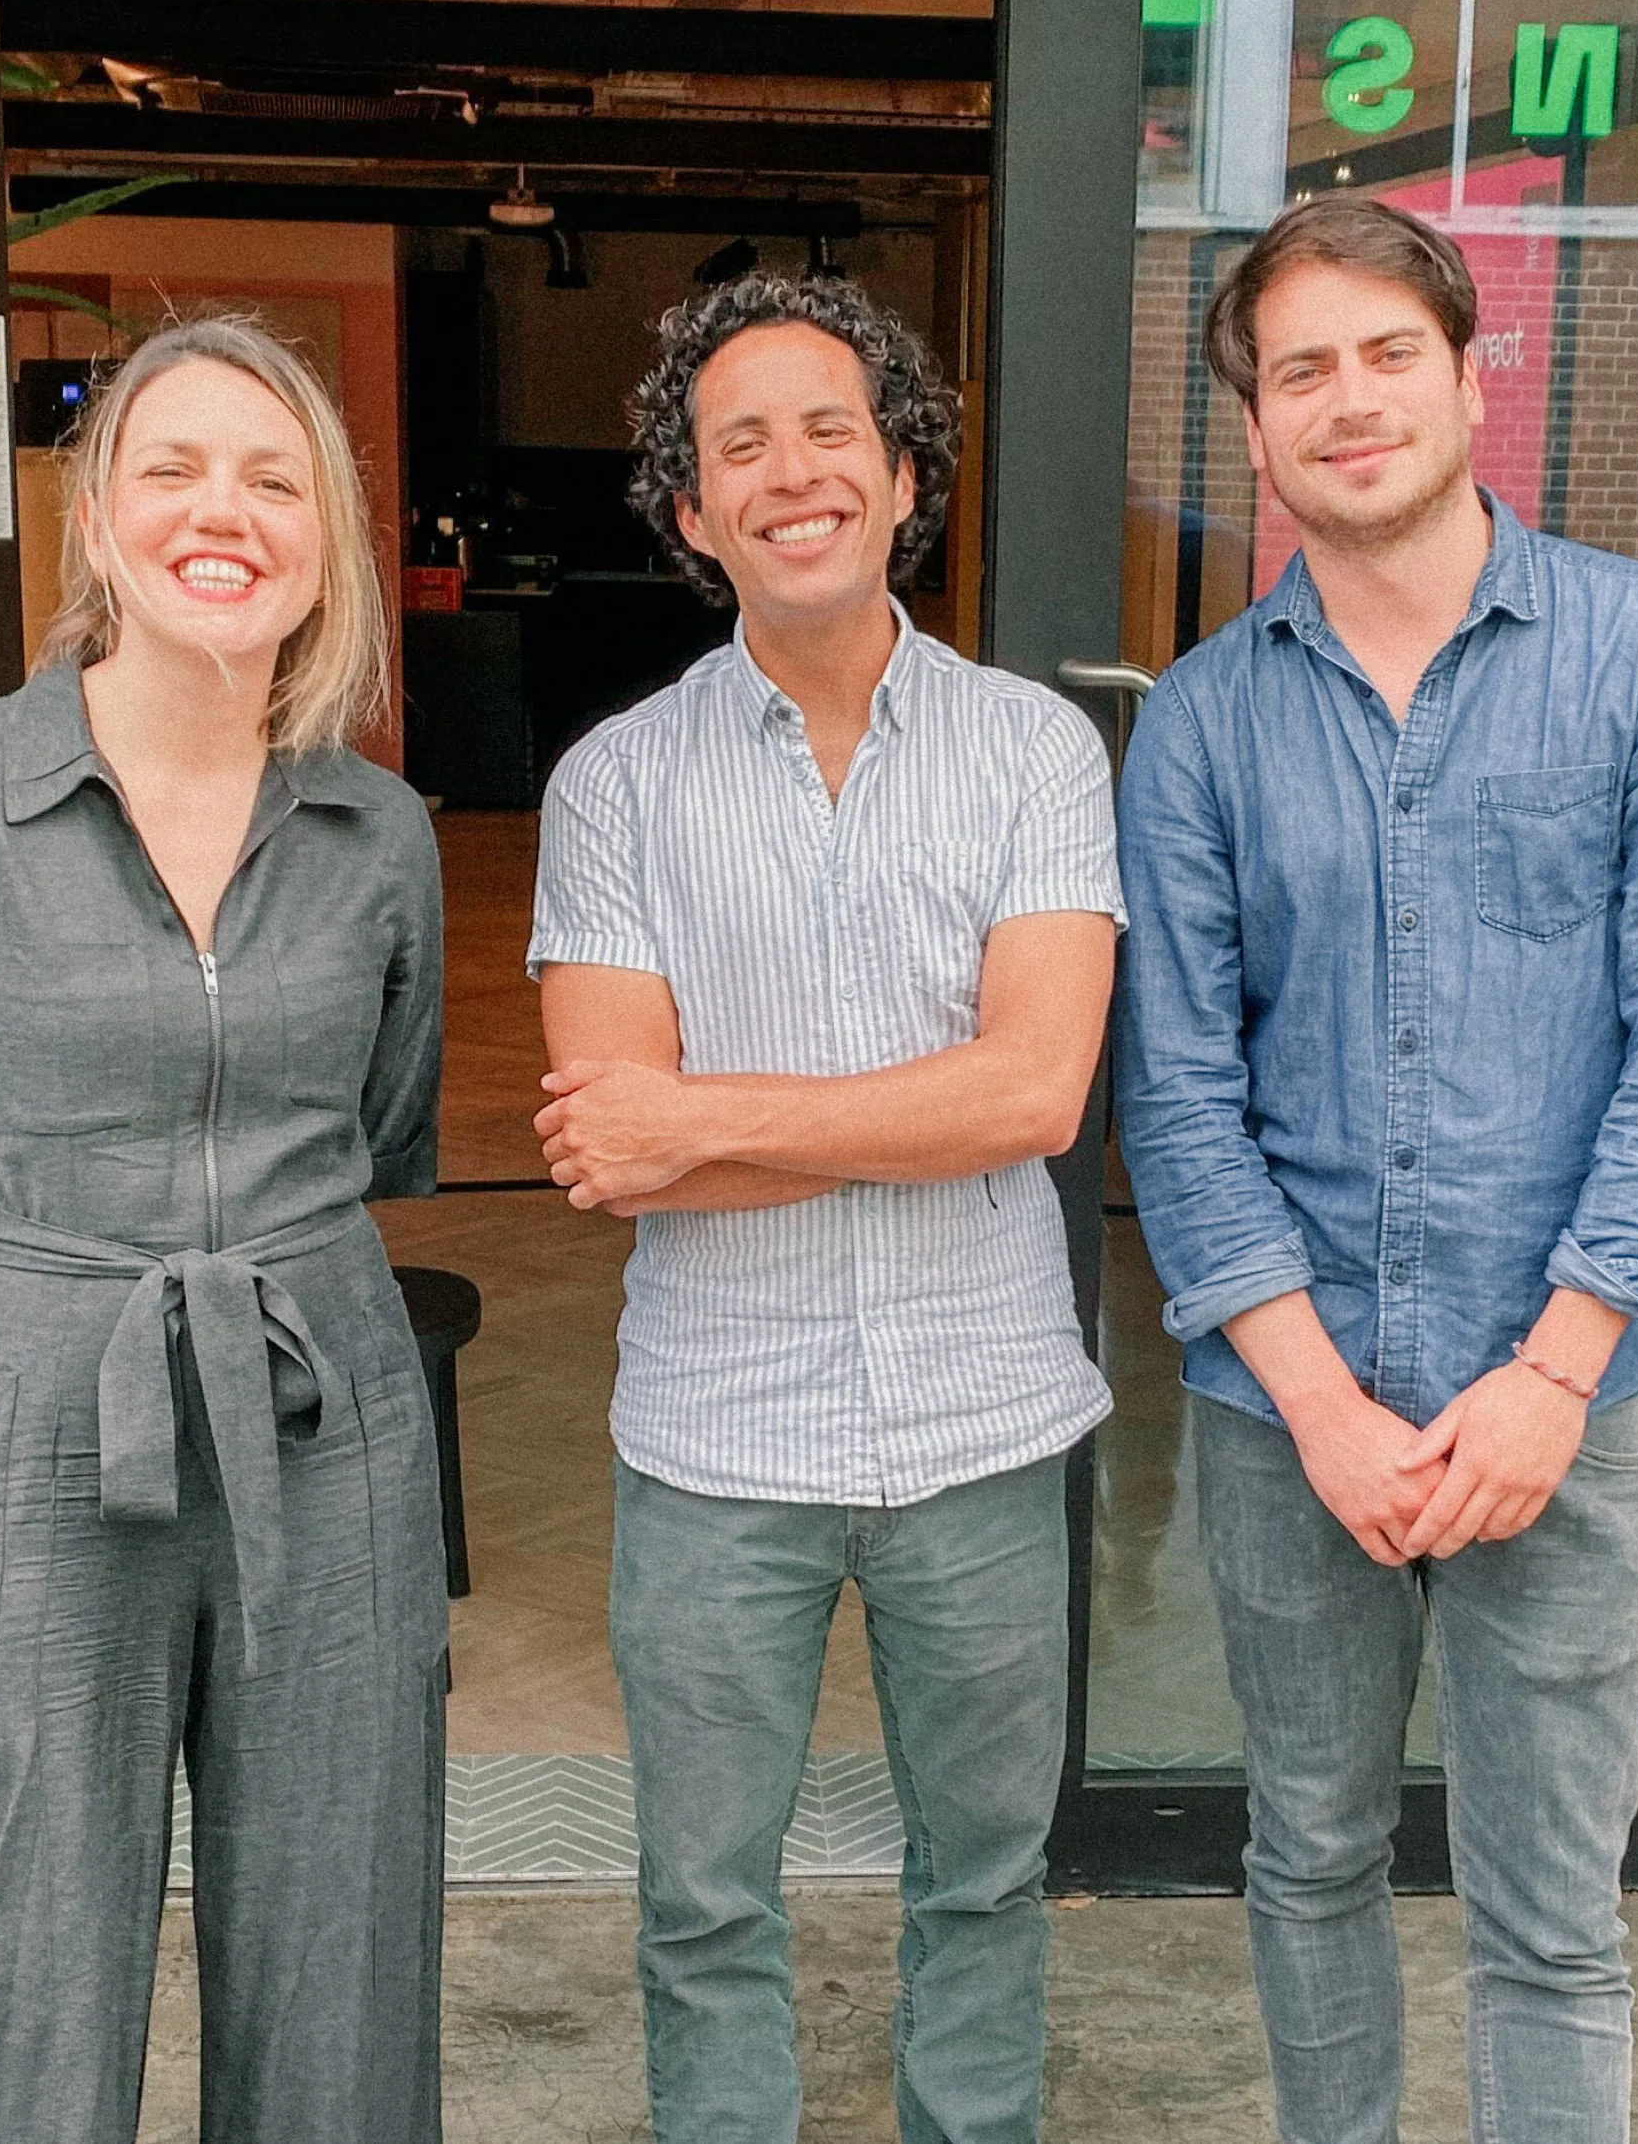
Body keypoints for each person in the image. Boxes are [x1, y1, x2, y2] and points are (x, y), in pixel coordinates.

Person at [1115, 195, 1638, 2144]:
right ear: (1255, 430)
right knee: (1308, 1861)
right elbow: (1176, 1090)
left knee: (1554, 1921)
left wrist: (1555, 1370)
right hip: (1282, 1421)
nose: (1350, 399)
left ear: (1470, 377)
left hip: (1563, 1415)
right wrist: (1320, 1407)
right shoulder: (1209, 724)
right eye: (1301, 369)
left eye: (1388, 352)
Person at [0, 317, 449, 2144]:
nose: (223, 512)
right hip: (36, 1411)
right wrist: (55, 1230)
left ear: (328, 541)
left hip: (328, 1402)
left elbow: (382, 1126)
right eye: (174, 466)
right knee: (20, 1904)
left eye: (273, 476)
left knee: (340, 1903)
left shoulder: (381, 832)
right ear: (98, 519)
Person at [528, 272, 1123, 2144]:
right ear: (692, 513)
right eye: (739, 446)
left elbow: (1036, 1091)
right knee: (703, 1898)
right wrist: (924, 1115)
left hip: (981, 1421)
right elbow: (606, 1147)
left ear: (899, 469)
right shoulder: (611, 782)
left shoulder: (1034, 751)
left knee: (983, 1876)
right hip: (717, 1430)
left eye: (829, 429)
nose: (791, 473)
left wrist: (705, 1118)